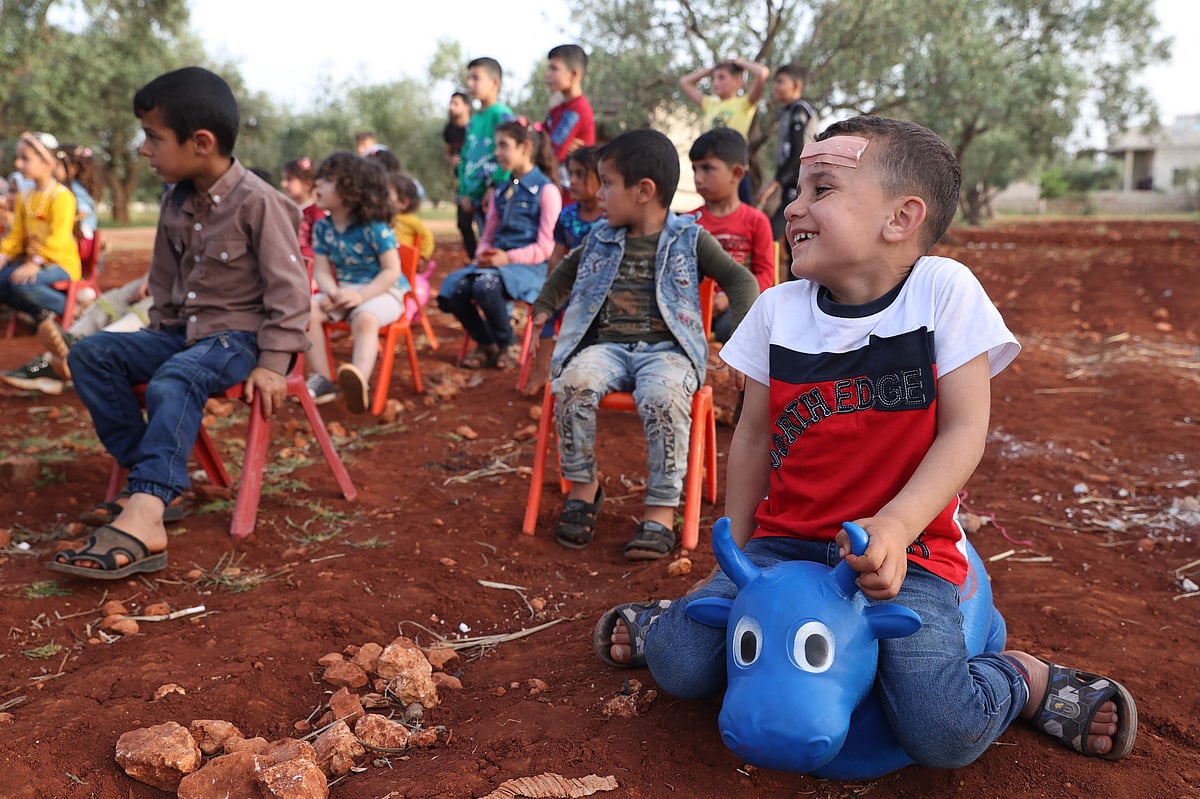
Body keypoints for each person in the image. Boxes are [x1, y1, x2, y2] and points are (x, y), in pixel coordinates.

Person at [595, 117, 1137, 766]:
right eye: (796, 188)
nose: (793, 205)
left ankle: (1022, 679)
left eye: (821, 188)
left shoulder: (942, 292)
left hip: (903, 556)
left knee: (943, 732)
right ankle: (669, 619)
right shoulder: (778, 310)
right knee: (680, 664)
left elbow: (965, 429)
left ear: (901, 218)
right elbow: (753, 436)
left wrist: (897, 526)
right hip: (783, 544)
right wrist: (734, 553)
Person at [47, 66, 311, 581]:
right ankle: (157, 481)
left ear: (201, 142)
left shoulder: (259, 203)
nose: (144, 149)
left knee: (177, 377)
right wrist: (153, 334)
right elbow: (164, 283)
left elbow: (290, 290)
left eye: (152, 136)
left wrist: (275, 363)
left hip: (239, 339)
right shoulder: (175, 199)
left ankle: (146, 511)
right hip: (179, 334)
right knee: (91, 354)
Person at [530, 128, 759, 559]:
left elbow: (742, 280)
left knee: (663, 397)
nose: (600, 195)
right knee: (573, 383)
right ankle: (583, 488)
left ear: (643, 191)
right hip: (606, 347)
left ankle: (659, 510)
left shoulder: (691, 237)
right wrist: (545, 304)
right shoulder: (599, 236)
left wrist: (740, 341)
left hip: (668, 351)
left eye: (608, 183)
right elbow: (563, 272)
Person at [439, 120, 561, 370]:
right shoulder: (499, 192)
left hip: (530, 270)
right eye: (496, 146)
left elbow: (546, 247)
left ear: (525, 147)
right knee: (455, 289)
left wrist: (507, 258)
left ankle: (507, 345)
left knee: (485, 285)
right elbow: (487, 236)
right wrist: (483, 254)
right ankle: (487, 343)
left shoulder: (547, 191)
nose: (497, 153)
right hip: (495, 267)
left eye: (503, 146)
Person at [303, 151, 404, 413]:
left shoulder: (375, 227)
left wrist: (361, 296)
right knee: (308, 310)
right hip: (345, 291)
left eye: (327, 181)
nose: (318, 185)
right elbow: (322, 271)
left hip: (384, 292)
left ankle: (358, 381)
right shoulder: (322, 228)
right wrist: (332, 292)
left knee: (365, 318)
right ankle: (324, 379)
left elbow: (391, 272)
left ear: (351, 189)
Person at [522, 145, 602, 397]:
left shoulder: (609, 217)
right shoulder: (567, 215)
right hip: (569, 286)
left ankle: (584, 376)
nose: (573, 182)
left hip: (599, 291)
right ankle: (541, 371)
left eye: (581, 175)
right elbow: (556, 256)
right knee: (546, 312)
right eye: (571, 175)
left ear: (602, 178)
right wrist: (550, 292)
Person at [687, 128, 775, 342]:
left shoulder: (756, 221)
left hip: (737, 305)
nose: (698, 178)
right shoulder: (687, 222)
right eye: (695, 169)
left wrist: (727, 299)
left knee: (733, 329)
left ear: (736, 173)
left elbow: (765, 274)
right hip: (693, 307)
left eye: (707, 168)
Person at [2, 275, 153, 395]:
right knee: (112, 301)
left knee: (148, 308)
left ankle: (79, 353)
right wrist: (151, 277)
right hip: (162, 277)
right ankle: (58, 358)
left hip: (174, 293)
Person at [0, 131, 81, 327]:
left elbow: (59, 239)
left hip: (60, 263)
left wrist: (35, 262)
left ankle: (73, 311)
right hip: (32, 261)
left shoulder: (62, 197)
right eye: (18, 158)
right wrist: (3, 255)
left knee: (20, 282)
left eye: (25, 158)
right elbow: (16, 235)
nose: (18, 164)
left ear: (48, 163)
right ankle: (40, 313)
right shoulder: (24, 197)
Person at [756, 62, 818, 283]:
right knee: (789, 236)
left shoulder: (800, 110)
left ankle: (781, 285)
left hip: (800, 183)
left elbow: (797, 153)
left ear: (796, 85)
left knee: (773, 231)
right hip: (791, 183)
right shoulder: (787, 112)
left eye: (780, 81)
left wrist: (775, 183)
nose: (775, 86)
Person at [679, 55, 770, 203]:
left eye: (721, 78)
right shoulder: (710, 104)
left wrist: (740, 63)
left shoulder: (744, 104)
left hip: (735, 172)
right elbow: (685, 82)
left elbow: (763, 73)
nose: (715, 82)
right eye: (713, 78)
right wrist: (711, 69)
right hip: (713, 172)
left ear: (738, 82)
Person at [457, 57, 513, 249]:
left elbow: (511, 153)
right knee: (484, 242)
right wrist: (464, 192)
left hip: (493, 196)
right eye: (468, 78)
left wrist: (494, 186)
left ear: (494, 83)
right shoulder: (473, 121)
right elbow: (465, 157)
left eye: (475, 78)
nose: (469, 83)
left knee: (497, 244)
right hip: (473, 197)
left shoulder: (501, 114)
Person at [543, 44, 596, 201]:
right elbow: (539, 140)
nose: (547, 74)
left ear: (574, 74)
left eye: (554, 69)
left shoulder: (578, 109)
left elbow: (551, 152)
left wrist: (546, 146)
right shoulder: (557, 110)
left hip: (571, 199)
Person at [54, 144, 102, 266]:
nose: (52, 168)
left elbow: (82, 212)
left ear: (73, 168)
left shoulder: (74, 190)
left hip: (82, 242)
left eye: (57, 165)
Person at [443, 90, 476, 256]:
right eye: (450, 103)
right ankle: (474, 257)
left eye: (455, 103)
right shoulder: (449, 130)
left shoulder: (475, 127)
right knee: (463, 223)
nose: (451, 107)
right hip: (463, 184)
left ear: (466, 107)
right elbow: (447, 152)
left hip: (479, 181)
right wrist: (451, 160)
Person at [280, 156, 326, 265]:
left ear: (307, 184)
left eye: (289, 179)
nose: (284, 184)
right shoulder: (283, 208)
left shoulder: (317, 212)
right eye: (283, 179)